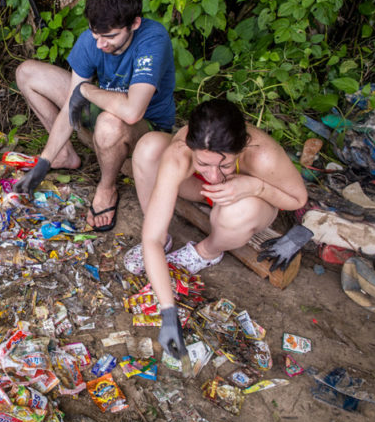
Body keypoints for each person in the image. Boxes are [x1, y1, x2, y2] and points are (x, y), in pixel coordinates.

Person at [128, 99, 308, 358]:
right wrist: (168, 313)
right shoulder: (180, 152)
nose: (214, 175)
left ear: (243, 145)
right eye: (203, 164)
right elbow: (151, 238)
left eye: (224, 165)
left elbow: (297, 200)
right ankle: (161, 219)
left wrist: (255, 186)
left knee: (238, 211)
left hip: (248, 202)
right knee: (148, 146)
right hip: (201, 192)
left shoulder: (262, 154)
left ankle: (207, 251)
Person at [14, 0, 176, 232]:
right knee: (27, 73)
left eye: (110, 36)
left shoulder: (152, 40)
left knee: (110, 124)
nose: (100, 44)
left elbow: (133, 111)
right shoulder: (94, 39)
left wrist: (87, 90)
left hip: (146, 129)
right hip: (104, 107)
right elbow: (72, 101)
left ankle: (107, 187)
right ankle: (65, 155)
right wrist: (45, 160)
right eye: (95, 34)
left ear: (134, 23)